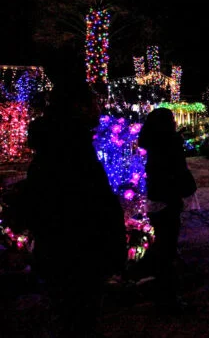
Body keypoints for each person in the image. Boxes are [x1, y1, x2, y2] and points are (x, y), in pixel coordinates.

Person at [23, 77, 126, 337]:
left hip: (66, 254)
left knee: (72, 316)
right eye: (94, 102)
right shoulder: (69, 150)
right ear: (77, 107)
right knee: (77, 318)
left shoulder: (62, 144)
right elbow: (85, 206)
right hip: (78, 257)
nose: (99, 108)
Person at [137, 107, 197, 313]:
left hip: (156, 198)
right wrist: (188, 190)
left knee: (163, 244)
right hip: (168, 198)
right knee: (168, 247)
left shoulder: (152, 142)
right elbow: (179, 170)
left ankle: (163, 288)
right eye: (171, 119)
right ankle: (168, 296)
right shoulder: (170, 142)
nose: (175, 122)